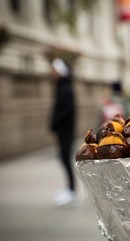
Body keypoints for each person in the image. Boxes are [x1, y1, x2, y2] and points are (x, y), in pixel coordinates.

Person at [49, 58, 76, 206]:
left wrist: (54, 123)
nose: (51, 73)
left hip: (66, 131)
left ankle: (71, 191)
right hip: (63, 130)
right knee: (63, 158)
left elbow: (65, 111)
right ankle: (69, 189)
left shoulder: (65, 89)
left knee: (65, 158)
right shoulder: (62, 87)